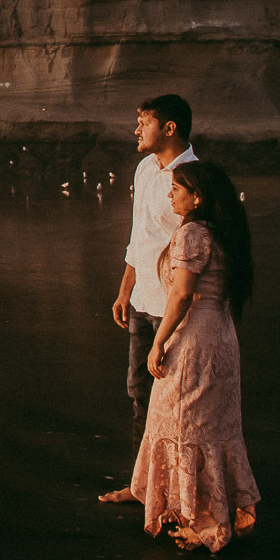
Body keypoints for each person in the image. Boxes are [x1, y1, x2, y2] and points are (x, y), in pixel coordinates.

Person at [117, 159, 261, 550]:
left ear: (197, 196)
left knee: (185, 426)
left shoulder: (192, 234)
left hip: (194, 343)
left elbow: (181, 295)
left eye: (177, 189)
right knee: (213, 428)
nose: (170, 195)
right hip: (222, 338)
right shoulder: (224, 232)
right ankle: (216, 510)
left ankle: (204, 523)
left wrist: (159, 341)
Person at [104, 95, 195, 475]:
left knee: (174, 399)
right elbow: (139, 234)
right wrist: (126, 290)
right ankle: (145, 484)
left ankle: (176, 487)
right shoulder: (144, 169)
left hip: (173, 307)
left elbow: (195, 249)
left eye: (144, 122)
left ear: (169, 128)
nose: (136, 130)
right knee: (139, 393)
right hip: (142, 299)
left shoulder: (193, 179)